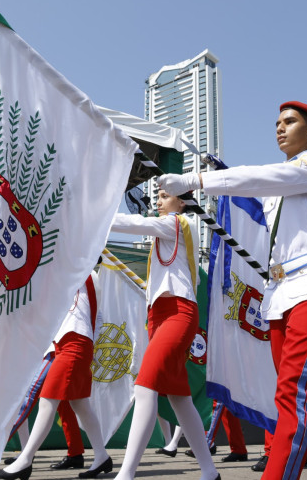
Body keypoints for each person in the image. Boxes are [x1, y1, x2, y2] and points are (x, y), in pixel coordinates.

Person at [158, 100, 307, 479]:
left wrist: (195, 180)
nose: (280, 128)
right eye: (277, 123)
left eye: (290, 122)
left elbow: (258, 178)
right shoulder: (279, 180)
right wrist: (202, 192)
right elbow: (248, 193)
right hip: (281, 295)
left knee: (291, 396)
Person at [110, 189, 219, 480]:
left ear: (181, 201)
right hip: (158, 315)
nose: (157, 201)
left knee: (145, 388)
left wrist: (95, 214)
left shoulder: (179, 223)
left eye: (163, 195)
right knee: (179, 397)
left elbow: (133, 224)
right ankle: (209, 471)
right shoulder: (165, 227)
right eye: (157, 197)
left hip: (179, 313)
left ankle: (126, 473)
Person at [0, 274, 110, 480]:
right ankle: (102, 456)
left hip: (75, 343)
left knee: (47, 401)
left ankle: (25, 460)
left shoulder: (85, 275)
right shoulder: (66, 277)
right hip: (66, 344)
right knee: (81, 405)